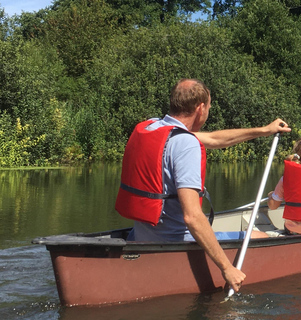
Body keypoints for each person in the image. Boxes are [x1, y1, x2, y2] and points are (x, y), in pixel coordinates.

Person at [115, 78, 291, 293]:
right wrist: (226, 268)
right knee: (261, 236)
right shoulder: (186, 144)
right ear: (200, 108)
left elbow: (215, 139)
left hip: (140, 237)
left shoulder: (152, 127)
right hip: (174, 242)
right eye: (208, 106)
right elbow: (192, 216)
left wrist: (264, 130)